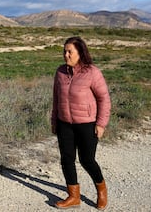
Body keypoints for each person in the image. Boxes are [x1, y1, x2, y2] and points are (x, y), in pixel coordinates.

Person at [51, 36, 111, 210]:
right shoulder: (60, 72)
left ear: (80, 53)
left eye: (70, 51)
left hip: (87, 124)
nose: (66, 54)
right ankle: (73, 196)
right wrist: (54, 120)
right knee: (67, 159)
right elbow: (56, 99)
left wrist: (101, 124)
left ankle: (101, 191)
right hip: (65, 124)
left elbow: (104, 99)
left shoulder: (92, 72)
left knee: (87, 160)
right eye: (64, 51)